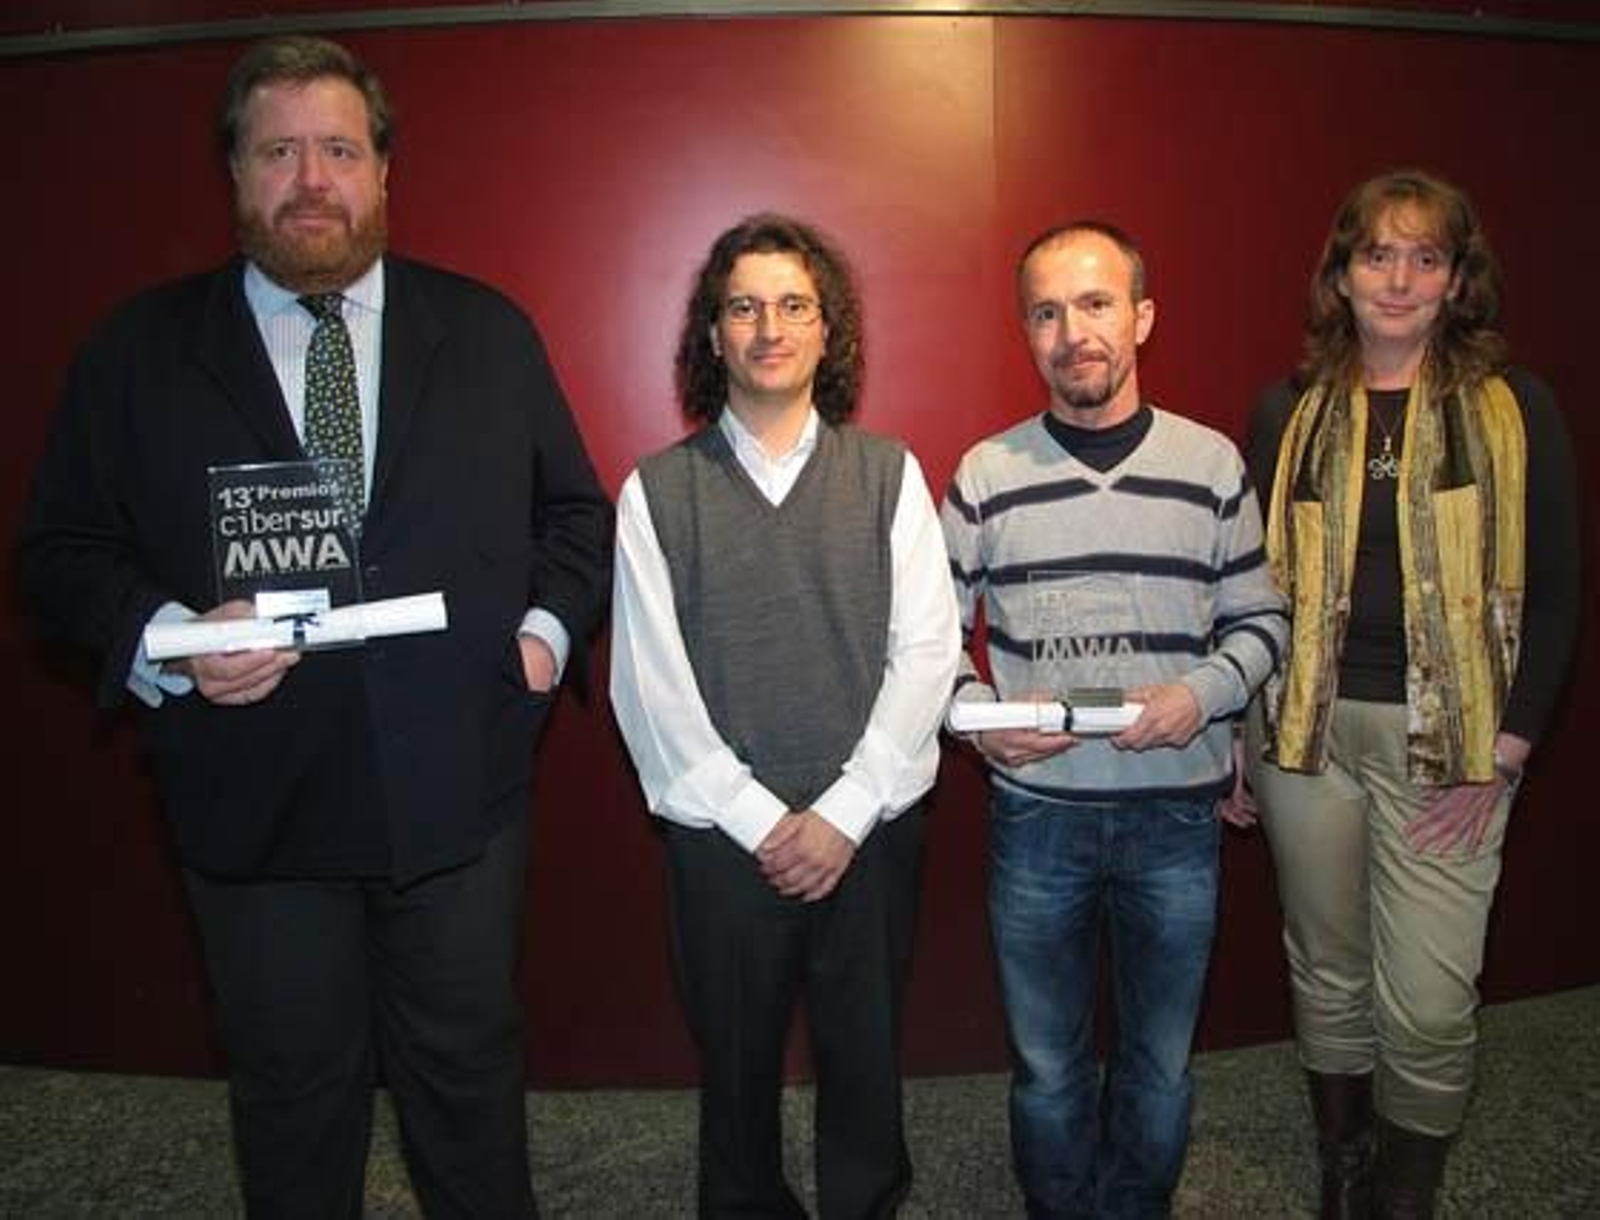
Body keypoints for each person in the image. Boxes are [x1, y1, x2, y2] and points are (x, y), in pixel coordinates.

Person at [17, 35, 612, 1216]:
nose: (310, 179)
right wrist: (171, 636)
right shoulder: (139, 350)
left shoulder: (487, 331)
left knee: (470, 1085)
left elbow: (576, 516)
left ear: (385, 172)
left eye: (339, 148)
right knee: (292, 1098)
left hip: (459, 792)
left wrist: (544, 636)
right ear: (234, 175)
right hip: (253, 801)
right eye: (277, 150)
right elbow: (59, 554)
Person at [1242, 169, 1580, 1219]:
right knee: (1328, 969)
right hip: (1304, 739)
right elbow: (1251, 591)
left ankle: (1405, 1192)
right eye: (1376, 255)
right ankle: (1344, 1169)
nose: (1397, 278)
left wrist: (1511, 749)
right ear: (1340, 274)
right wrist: (1234, 743)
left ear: (1454, 280)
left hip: (1458, 746)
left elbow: (1560, 582)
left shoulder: (1514, 408)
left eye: (1423, 258)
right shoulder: (1286, 411)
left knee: (1429, 1002)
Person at [609, 213, 960, 1218]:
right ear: (712, 333)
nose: (769, 326)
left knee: (865, 1055)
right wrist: (765, 821)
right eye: (743, 306)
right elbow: (651, 689)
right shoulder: (655, 492)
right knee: (735, 1066)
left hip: (872, 831)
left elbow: (928, 652)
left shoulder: (887, 473)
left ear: (825, 331)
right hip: (723, 844)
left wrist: (843, 811)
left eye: (793, 305)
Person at [941, 221, 1287, 1217]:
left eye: (1094, 303)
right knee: (1047, 1065)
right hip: (1036, 817)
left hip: (1173, 821)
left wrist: (1201, 695)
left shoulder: (1211, 463)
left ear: (1141, 315)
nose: (1072, 330)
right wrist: (974, 716)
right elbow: (919, 640)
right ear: (1026, 331)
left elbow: (1261, 619)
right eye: (1046, 311)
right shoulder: (984, 474)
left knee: (1159, 1064)